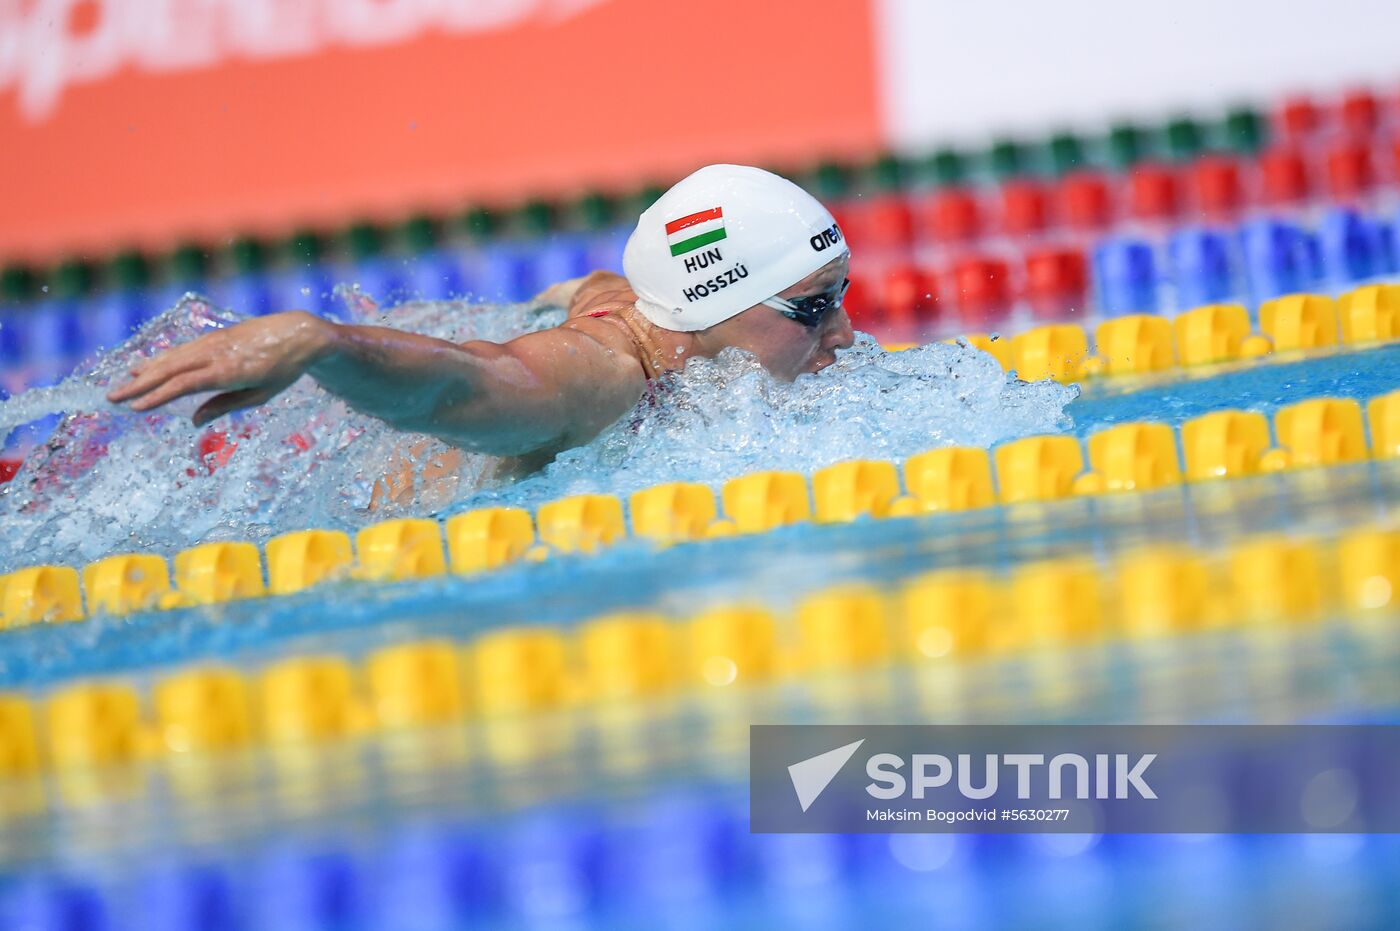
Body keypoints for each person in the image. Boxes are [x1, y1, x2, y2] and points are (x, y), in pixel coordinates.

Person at [107, 165, 855, 474]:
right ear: (706, 310)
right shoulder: (604, 378)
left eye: (842, 295)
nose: (844, 333)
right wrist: (318, 342)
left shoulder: (655, 311)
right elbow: (465, 384)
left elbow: (593, 285)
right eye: (813, 308)